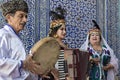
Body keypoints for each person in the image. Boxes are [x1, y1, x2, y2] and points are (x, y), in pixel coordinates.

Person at [0, 0, 43, 80]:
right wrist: (22, 64)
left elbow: (22, 72)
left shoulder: (14, 36)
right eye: (21, 16)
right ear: (9, 17)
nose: (25, 20)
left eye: (26, 16)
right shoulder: (3, 35)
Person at [42, 5, 71, 80]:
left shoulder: (65, 45)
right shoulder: (50, 43)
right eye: (61, 29)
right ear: (55, 31)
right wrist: (54, 71)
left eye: (65, 29)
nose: (64, 32)